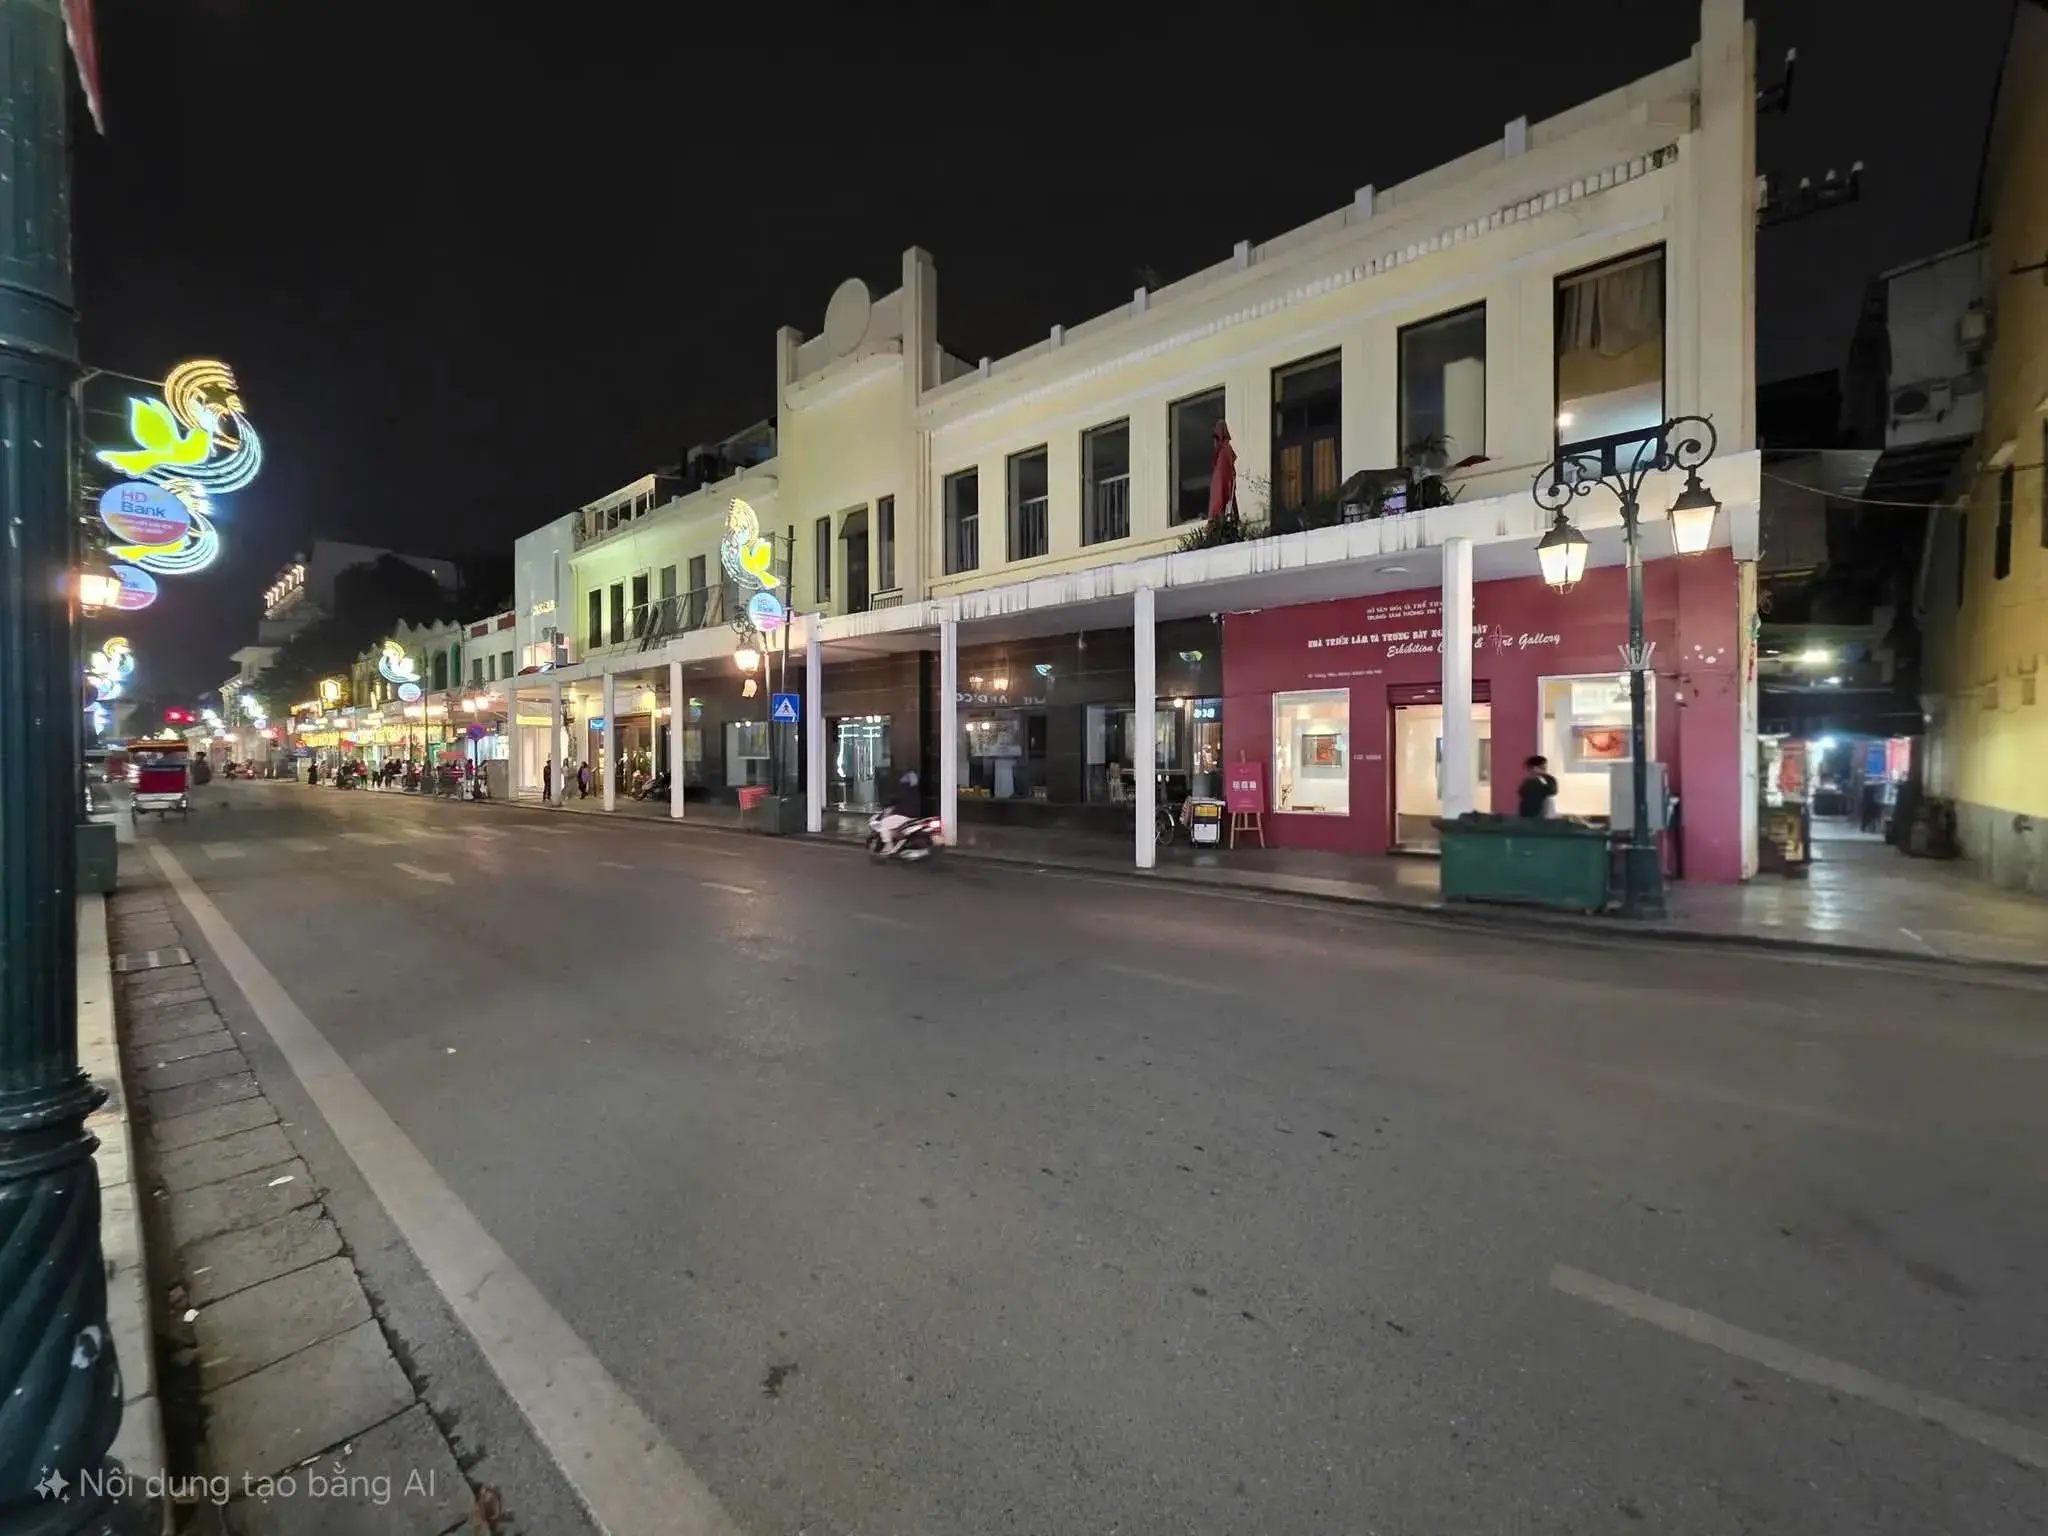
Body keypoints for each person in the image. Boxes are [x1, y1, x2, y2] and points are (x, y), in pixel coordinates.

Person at [874, 769, 921, 854]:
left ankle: (889, 845)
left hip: (904, 816)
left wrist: (887, 804)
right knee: (893, 827)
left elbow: (895, 799)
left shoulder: (905, 788)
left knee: (884, 823)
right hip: (914, 816)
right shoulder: (916, 790)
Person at [1516, 754, 1558, 819]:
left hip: (1544, 813)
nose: (1543, 770)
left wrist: (1543, 781)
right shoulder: (1528, 781)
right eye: (1541, 768)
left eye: (1544, 768)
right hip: (1528, 813)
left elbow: (1552, 791)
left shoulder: (1547, 779)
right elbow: (1522, 794)